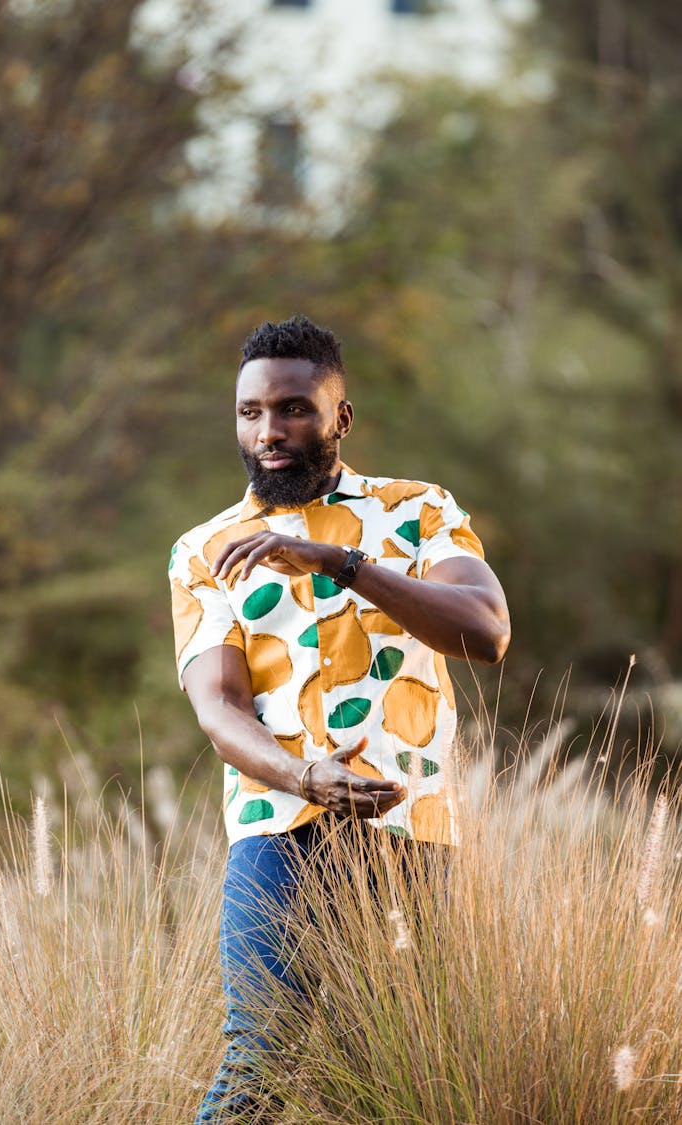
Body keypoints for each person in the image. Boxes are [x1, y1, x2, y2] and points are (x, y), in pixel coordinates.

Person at [169, 314, 510, 1121]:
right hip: (277, 829)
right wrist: (305, 776)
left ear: (340, 417)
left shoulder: (419, 511)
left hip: (408, 834)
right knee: (260, 1056)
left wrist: (342, 563)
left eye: (294, 408)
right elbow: (217, 705)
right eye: (252, 412)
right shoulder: (203, 548)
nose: (271, 431)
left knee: (395, 1072)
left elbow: (487, 630)